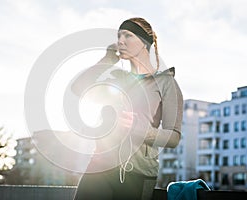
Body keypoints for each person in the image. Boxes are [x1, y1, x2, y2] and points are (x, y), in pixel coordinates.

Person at [72, 17, 183, 200]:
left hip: (136, 173)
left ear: (144, 43)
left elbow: (173, 137)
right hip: (99, 166)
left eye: (128, 35)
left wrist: (139, 130)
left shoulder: (166, 83)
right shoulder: (116, 79)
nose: (120, 41)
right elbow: (78, 88)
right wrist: (106, 60)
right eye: (119, 36)